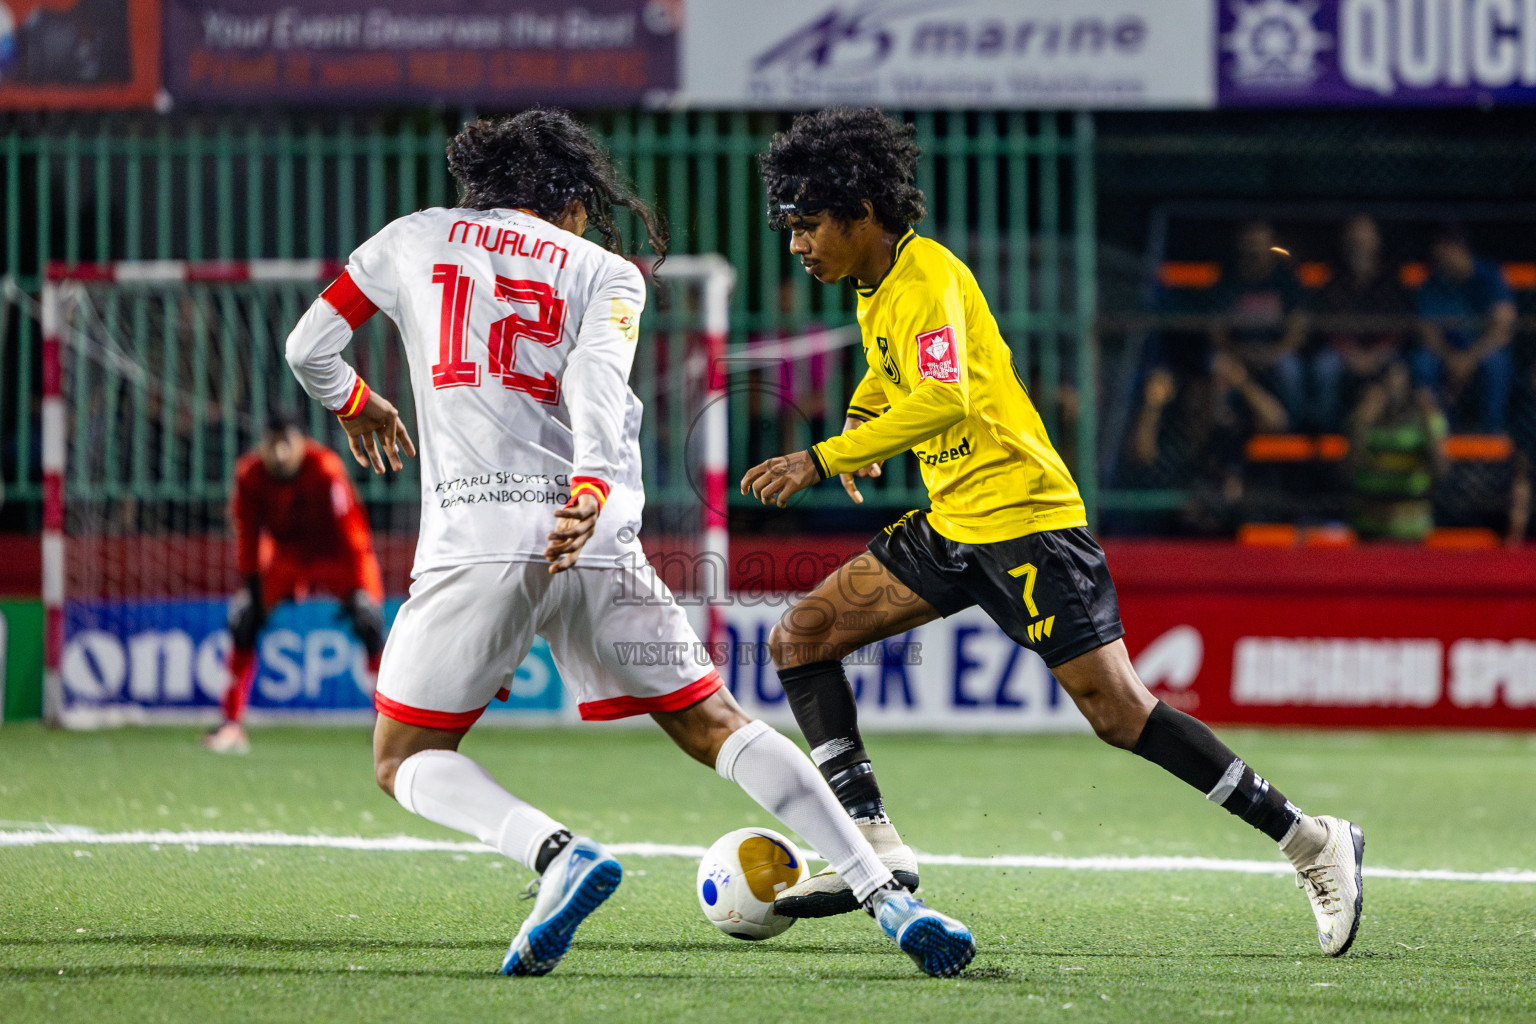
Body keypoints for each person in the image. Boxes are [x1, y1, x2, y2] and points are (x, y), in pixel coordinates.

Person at [281, 109, 974, 979]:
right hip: (596, 531)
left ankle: (557, 855)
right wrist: (589, 489)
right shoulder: (606, 270)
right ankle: (890, 894)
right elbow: (598, 382)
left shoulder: (412, 238)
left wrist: (354, 401)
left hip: (478, 533)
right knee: (717, 723)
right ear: (568, 201)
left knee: (405, 758)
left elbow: (308, 344)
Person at [741, 107, 1365, 956]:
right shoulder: (875, 286)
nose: (796, 245)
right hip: (954, 523)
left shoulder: (927, 277)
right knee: (803, 635)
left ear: (859, 213)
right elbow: (907, 377)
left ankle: (1310, 839)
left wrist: (824, 454)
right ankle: (871, 842)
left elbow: (949, 397)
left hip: (1026, 523)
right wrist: (865, 405)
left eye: (807, 225)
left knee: (1118, 713)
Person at [204, 412, 386, 755]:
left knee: (369, 623)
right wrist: (254, 588)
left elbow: (352, 532)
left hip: (337, 554)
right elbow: (247, 537)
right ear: (262, 445)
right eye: (273, 443)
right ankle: (230, 724)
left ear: (303, 444)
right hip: (287, 557)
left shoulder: (326, 469)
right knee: (244, 619)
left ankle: (386, 722)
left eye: (288, 442)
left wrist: (361, 590)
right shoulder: (249, 474)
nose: (280, 452)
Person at [1312, 214, 1415, 432]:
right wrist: (1350, 353)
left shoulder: (1391, 281)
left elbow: (1401, 328)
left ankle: (1396, 428)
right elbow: (1327, 326)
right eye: (1354, 240)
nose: (1358, 245)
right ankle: (1326, 428)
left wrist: (1374, 355)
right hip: (1345, 353)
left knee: (1403, 368)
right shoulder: (1335, 282)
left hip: (1383, 351)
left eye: (1364, 239)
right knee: (1324, 366)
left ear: (1376, 242)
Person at [1413, 223, 1516, 433]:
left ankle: (1491, 431)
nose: (1439, 260)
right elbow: (1427, 331)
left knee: (1497, 363)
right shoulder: (1435, 281)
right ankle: (1439, 431)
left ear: (1459, 248)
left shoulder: (1488, 275)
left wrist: (1469, 358)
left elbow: (1503, 328)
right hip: (1447, 350)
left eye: (1444, 253)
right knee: (1423, 361)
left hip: (1482, 349)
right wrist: (1451, 357)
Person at [1208, 220, 1310, 427]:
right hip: (1239, 351)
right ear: (1242, 245)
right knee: (1217, 363)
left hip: (1276, 351)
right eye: (1251, 244)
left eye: (1260, 244)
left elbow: (1297, 329)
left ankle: (1295, 425)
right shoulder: (1230, 280)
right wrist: (1238, 351)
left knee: (1290, 367)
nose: (1255, 250)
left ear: (1270, 245)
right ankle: (1222, 426)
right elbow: (1215, 330)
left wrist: (1273, 352)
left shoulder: (1286, 280)